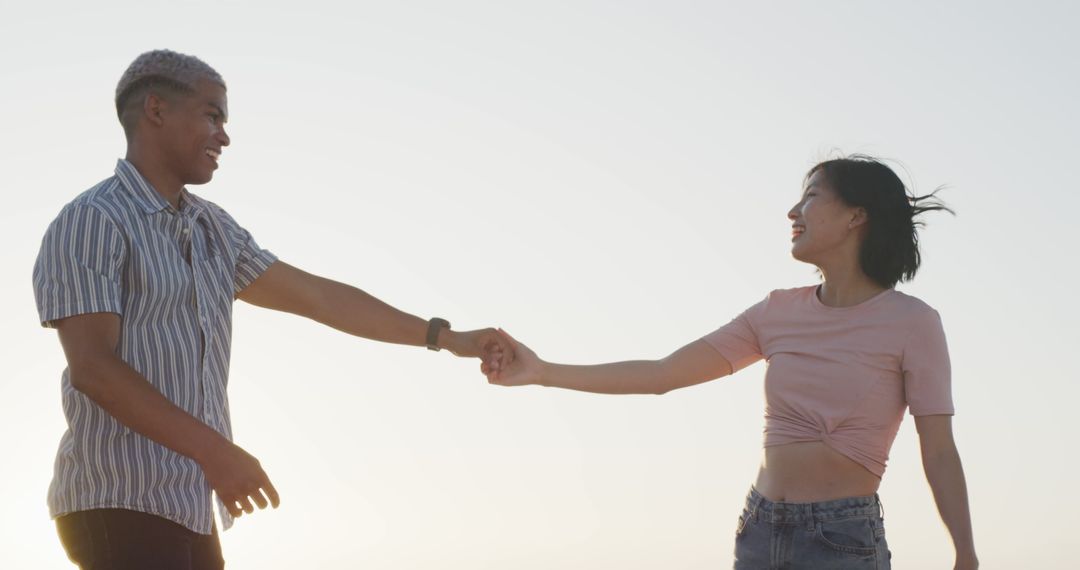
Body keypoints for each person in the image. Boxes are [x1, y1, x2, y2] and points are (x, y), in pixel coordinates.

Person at [32, 49, 508, 570]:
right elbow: (93, 370)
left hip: (188, 507)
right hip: (116, 501)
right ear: (156, 110)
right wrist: (214, 451)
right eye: (212, 115)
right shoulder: (92, 220)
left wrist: (449, 337)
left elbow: (322, 299)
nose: (224, 136)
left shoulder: (214, 229)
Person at [485, 156, 978, 570]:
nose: (793, 210)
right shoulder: (776, 311)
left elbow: (938, 451)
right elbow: (662, 375)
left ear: (856, 216)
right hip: (759, 531)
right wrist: (542, 371)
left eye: (811, 196)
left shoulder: (912, 322)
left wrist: (966, 555)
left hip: (842, 539)